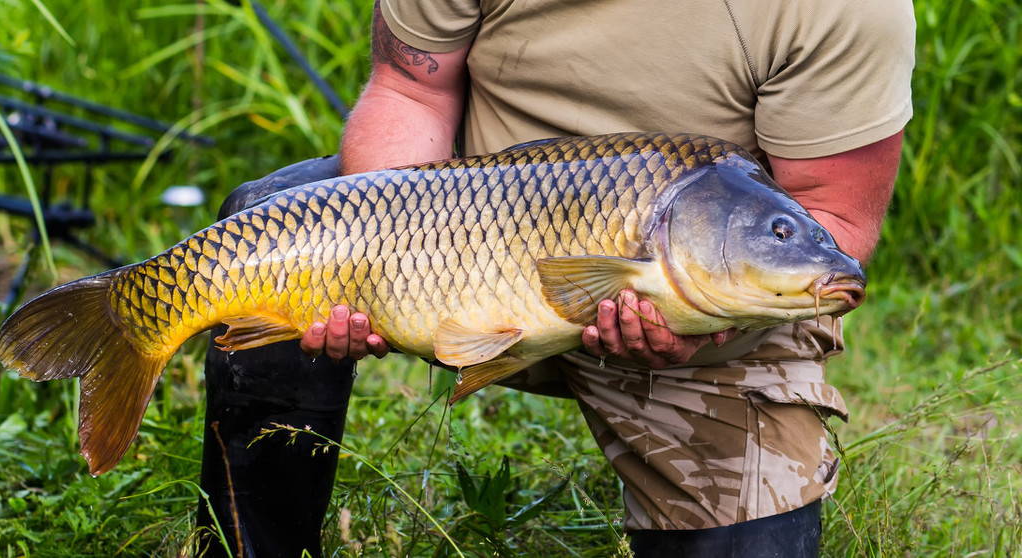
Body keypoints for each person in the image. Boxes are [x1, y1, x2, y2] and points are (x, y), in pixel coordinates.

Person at [196, 1, 915, 556]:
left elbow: (830, 225)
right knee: (268, 223)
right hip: (463, 233)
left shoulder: (843, 9)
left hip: (706, 291)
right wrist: (386, 253)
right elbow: (410, 92)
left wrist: (707, 328)